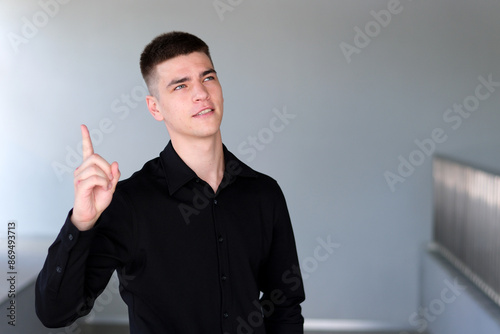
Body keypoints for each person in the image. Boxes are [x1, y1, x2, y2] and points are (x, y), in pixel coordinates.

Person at [36, 31, 305, 334]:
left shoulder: (264, 193)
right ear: (155, 107)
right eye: (181, 85)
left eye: (208, 78)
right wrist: (81, 223)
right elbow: (54, 312)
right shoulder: (129, 204)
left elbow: (284, 305)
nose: (201, 93)